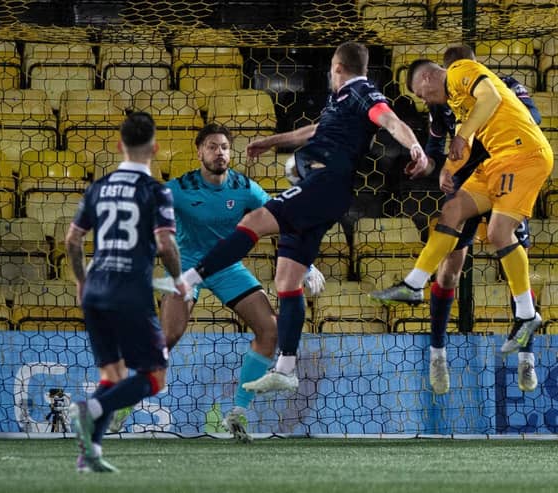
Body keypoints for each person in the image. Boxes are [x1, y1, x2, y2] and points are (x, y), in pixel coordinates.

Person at [155, 41, 430, 393]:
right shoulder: (341, 101)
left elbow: (388, 118)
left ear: (337, 68)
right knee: (286, 281)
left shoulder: (362, 92)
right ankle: (286, 368)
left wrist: (415, 146)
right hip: (323, 189)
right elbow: (314, 131)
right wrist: (272, 141)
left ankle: (188, 279)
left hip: (324, 184)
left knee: (253, 223)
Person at [370, 55, 553, 372]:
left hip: (520, 156)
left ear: (428, 79)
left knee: (500, 235)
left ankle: (526, 330)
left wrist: (463, 134)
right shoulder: (451, 104)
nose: (423, 100)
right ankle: (414, 286)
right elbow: (444, 143)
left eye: (421, 93)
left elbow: (494, 102)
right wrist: (445, 168)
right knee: (452, 212)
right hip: (488, 167)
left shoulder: (462, 72)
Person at [155, 123, 325, 441]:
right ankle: (122, 401)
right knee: (169, 335)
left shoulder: (244, 187)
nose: (219, 152)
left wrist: (307, 263)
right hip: (188, 265)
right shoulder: (178, 188)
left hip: (227, 267)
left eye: (224, 147)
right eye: (212, 146)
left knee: (271, 329)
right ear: (199, 152)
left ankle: (238, 413)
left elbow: (283, 218)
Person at [409, 45, 542, 395]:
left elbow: (529, 123)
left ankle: (527, 356)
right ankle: (437, 352)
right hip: (470, 185)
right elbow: (437, 149)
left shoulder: (504, 86)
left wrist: (469, 140)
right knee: (450, 266)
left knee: (512, 261)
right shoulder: (441, 107)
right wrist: (431, 165)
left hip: (506, 175)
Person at [65, 111, 187, 473]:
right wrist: (178, 280)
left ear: (119, 145)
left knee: (112, 374)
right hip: (129, 291)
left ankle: (90, 453)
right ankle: (94, 409)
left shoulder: (98, 187)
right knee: (154, 376)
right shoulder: (155, 190)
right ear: (156, 148)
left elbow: (73, 240)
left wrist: (81, 281)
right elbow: (165, 245)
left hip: (95, 289)